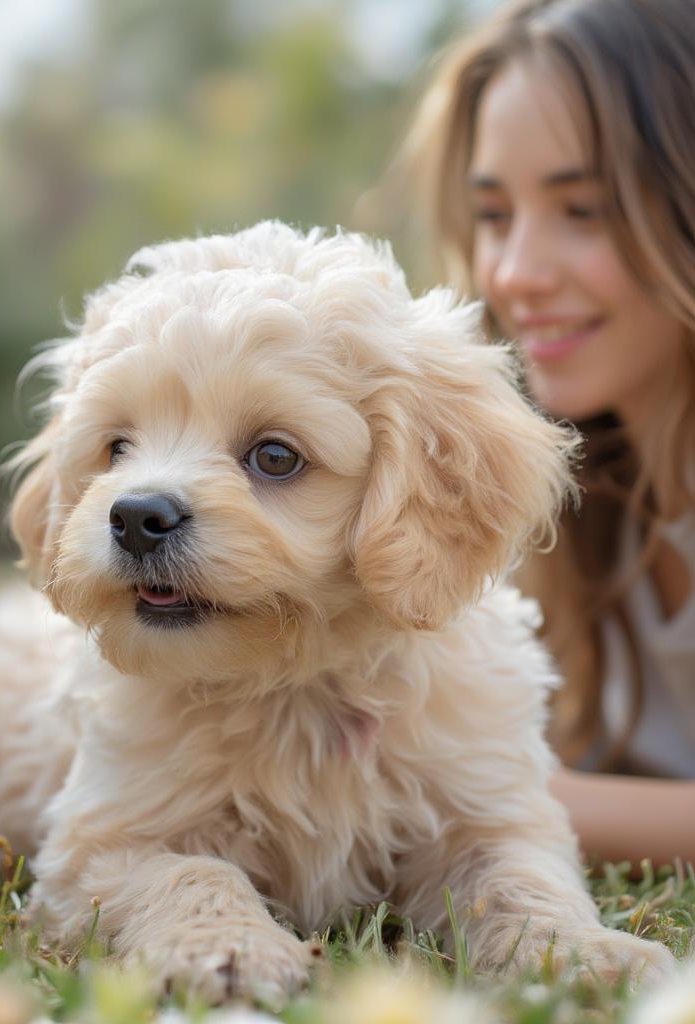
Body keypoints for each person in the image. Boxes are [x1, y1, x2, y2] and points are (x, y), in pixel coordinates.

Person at [408, 0, 695, 867]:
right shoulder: (575, 502)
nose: (517, 274)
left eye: (586, 209)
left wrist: (504, 794)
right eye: (494, 216)